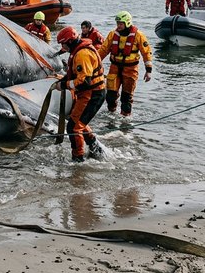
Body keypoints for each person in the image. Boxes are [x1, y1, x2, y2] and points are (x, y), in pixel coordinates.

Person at [55, 26, 106, 162]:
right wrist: (63, 80)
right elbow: (76, 75)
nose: (63, 47)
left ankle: (78, 159)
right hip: (91, 93)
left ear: (70, 41)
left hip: (92, 94)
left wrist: (65, 85)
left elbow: (85, 82)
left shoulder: (82, 54)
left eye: (63, 44)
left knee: (73, 127)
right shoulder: (79, 51)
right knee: (78, 122)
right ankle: (96, 148)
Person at [97, 11, 153, 117]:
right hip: (115, 67)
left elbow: (146, 53)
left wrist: (148, 70)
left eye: (121, 23)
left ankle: (125, 119)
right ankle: (111, 114)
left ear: (127, 23)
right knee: (110, 96)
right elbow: (103, 50)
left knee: (126, 97)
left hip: (131, 69)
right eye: (117, 23)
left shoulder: (138, 35)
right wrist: (94, 63)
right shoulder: (113, 35)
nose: (118, 26)